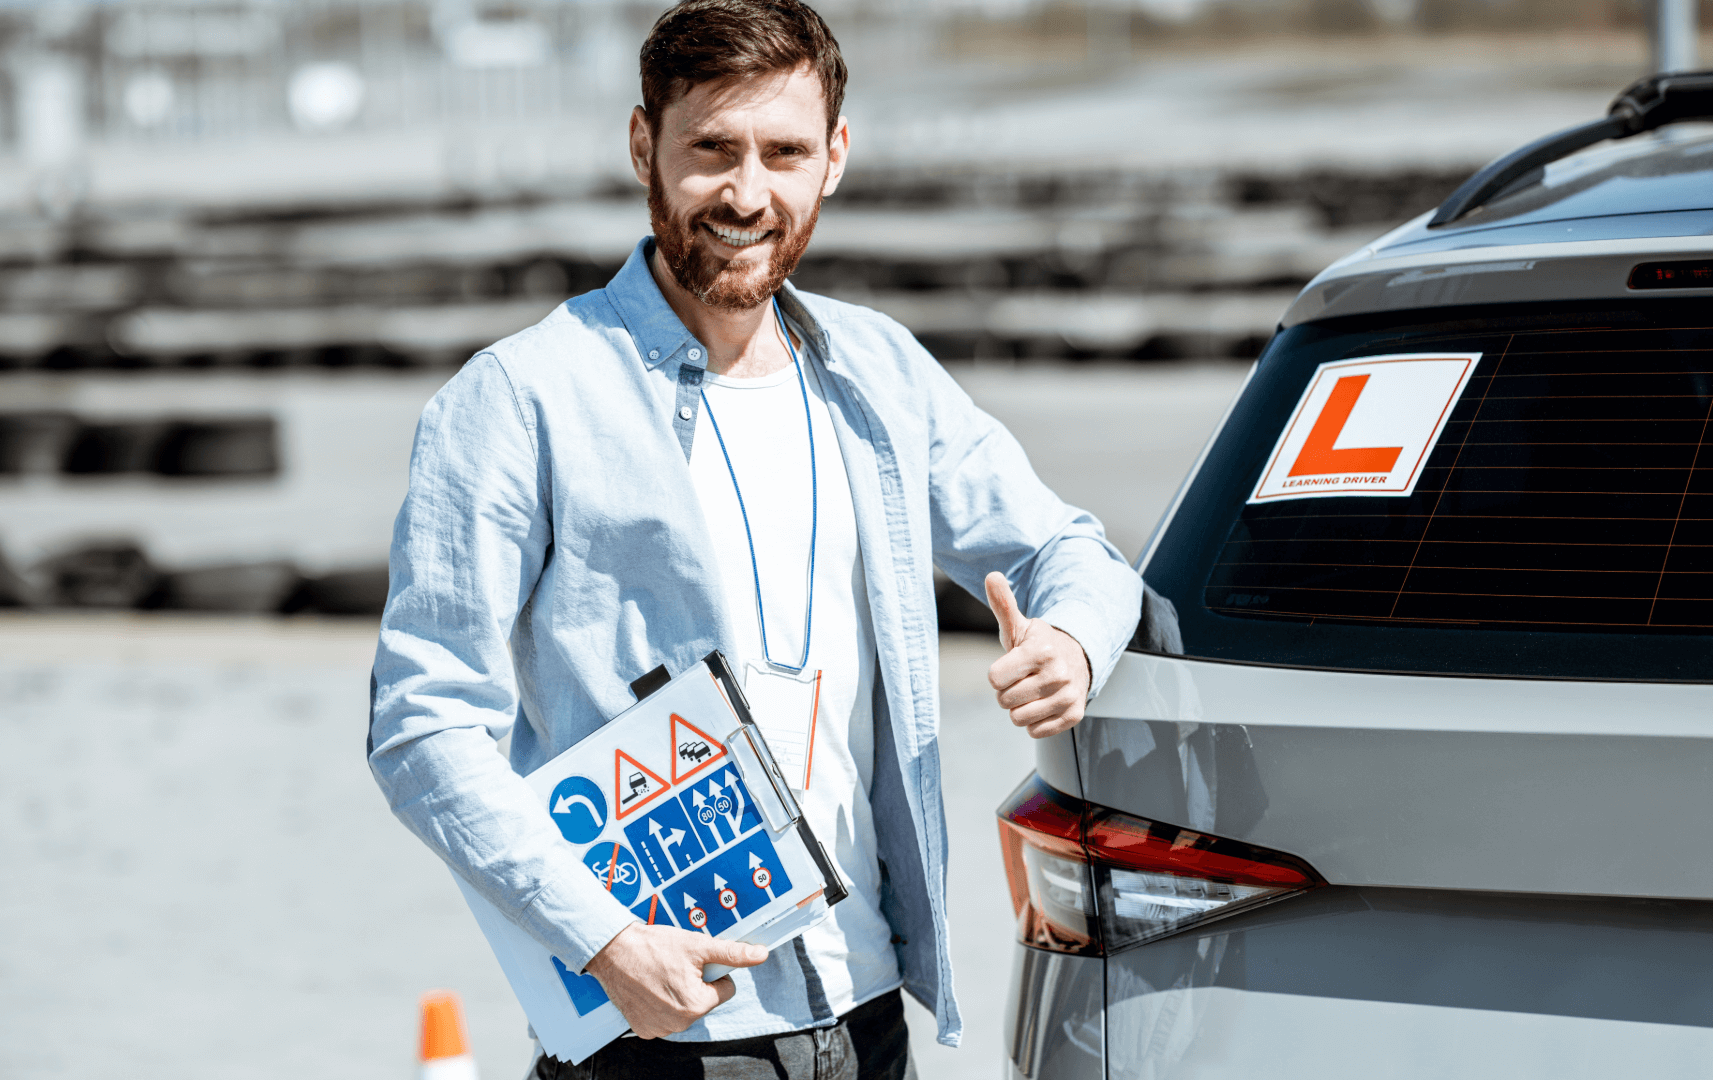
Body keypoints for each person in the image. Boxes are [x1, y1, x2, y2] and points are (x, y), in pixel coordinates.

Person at [368, 0, 1142, 1075]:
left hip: (871, 1019)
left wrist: (1073, 643)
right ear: (645, 145)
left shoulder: (882, 372)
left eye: (783, 153)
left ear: (834, 159)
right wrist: (603, 941)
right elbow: (421, 723)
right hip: (660, 1032)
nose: (746, 193)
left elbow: (1075, 553)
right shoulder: (516, 401)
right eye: (712, 150)